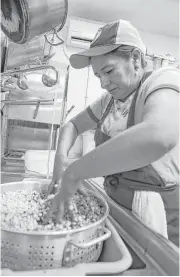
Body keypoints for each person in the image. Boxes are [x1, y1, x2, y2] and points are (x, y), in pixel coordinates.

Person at [46, 19, 179, 247]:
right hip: (118, 208)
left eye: (109, 71)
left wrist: (74, 173)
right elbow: (72, 126)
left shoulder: (163, 80)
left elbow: (158, 136)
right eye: (98, 76)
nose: (104, 83)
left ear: (136, 59)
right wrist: (60, 162)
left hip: (157, 218)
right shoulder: (110, 101)